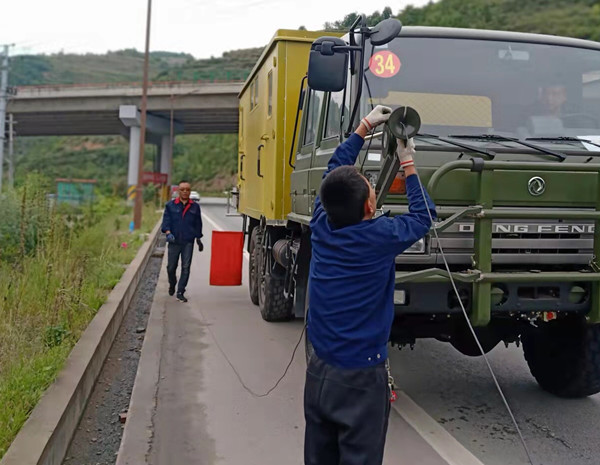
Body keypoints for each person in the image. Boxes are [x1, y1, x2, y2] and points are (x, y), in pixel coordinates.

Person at [304, 105, 436, 465]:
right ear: (368, 206)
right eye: (371, 191)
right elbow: (425, 216)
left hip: (319, 372)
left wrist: (363, 127)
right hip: (361, 379)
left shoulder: (321, 223)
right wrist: (408, 164)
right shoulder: (380, 236)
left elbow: (333, 173)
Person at [161, 180, 204, 302]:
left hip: (188, 242)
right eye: (182, 189)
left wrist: (199, 239)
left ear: (190, 191)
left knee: (186, 267)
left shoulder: (195, 207)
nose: (185, 192)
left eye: (187, 190)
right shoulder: (170, 205)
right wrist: (168, 233)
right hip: (174, 241)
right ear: (178, 191)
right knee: (171, 267)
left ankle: (180, 291)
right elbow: (166, 222)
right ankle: (172, 284)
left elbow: (198, 224)